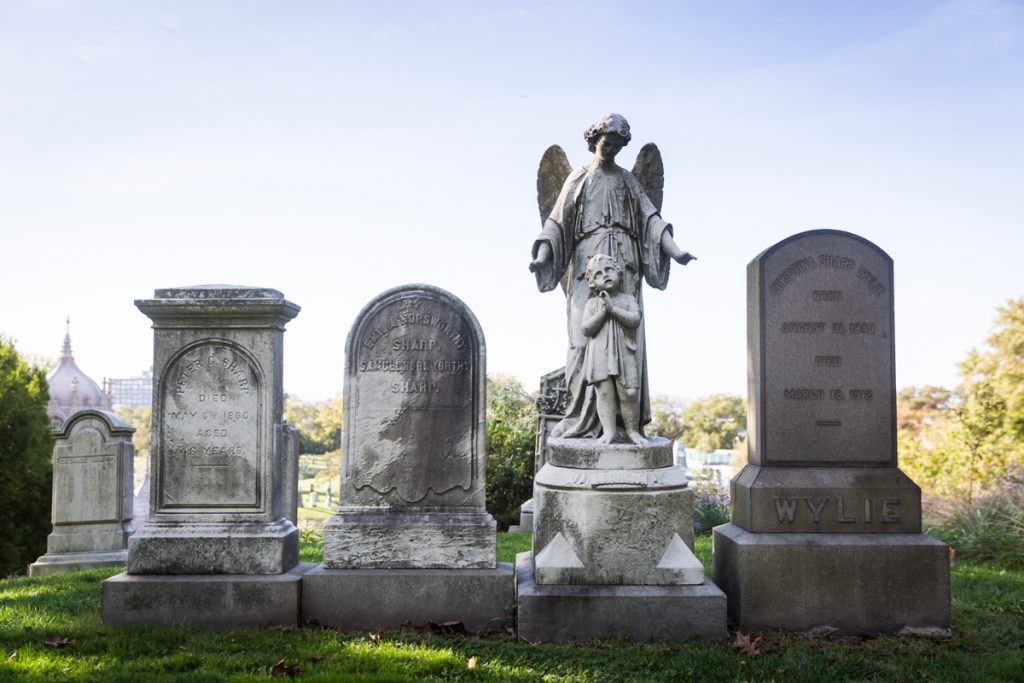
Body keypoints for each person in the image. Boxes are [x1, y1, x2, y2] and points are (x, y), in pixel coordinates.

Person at [529, 113, 694, 439]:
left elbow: (652, 221)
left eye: (618, 146)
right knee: (581, 339)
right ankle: (578, 417)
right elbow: (556, 222)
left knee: (627, 341)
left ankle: (624, 426)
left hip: (625, 262)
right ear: (594, 141)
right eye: (607, 144)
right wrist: (542, 256)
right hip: (586, 261)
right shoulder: (579, 178)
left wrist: (675, 251)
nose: (611, 150)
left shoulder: (628, 181)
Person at [570, 254, 644, 444]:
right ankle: (608, 432)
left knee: (630, 393)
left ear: (619, 273)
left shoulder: (627, 299)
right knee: (604, 393)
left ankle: (633, 431)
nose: (605, 275)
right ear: (593, 283)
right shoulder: (593, 303)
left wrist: (613, 309)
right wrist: (604, 310)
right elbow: (586, 328)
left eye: (609, 270)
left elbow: (635, 320)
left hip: (624, 350)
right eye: (599, 274)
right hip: (599, 353)